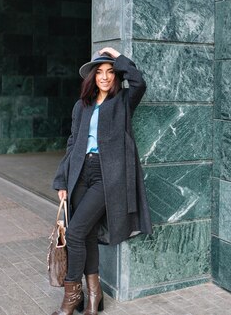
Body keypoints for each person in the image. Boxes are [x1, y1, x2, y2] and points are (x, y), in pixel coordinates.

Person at [51, 47, 152, 315]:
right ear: (93, 78)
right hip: (79, 173)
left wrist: (114, 54)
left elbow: (140, 81)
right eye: (100, 73)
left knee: (74, 233)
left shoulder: (124, 102)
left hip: (107, 177)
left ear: (116, 76)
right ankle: (94, 297)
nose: (105, 77)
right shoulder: (81, 106)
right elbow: (72, 143)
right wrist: (62, 180)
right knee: (87, 235)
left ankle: (71, 297)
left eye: (110, 72)